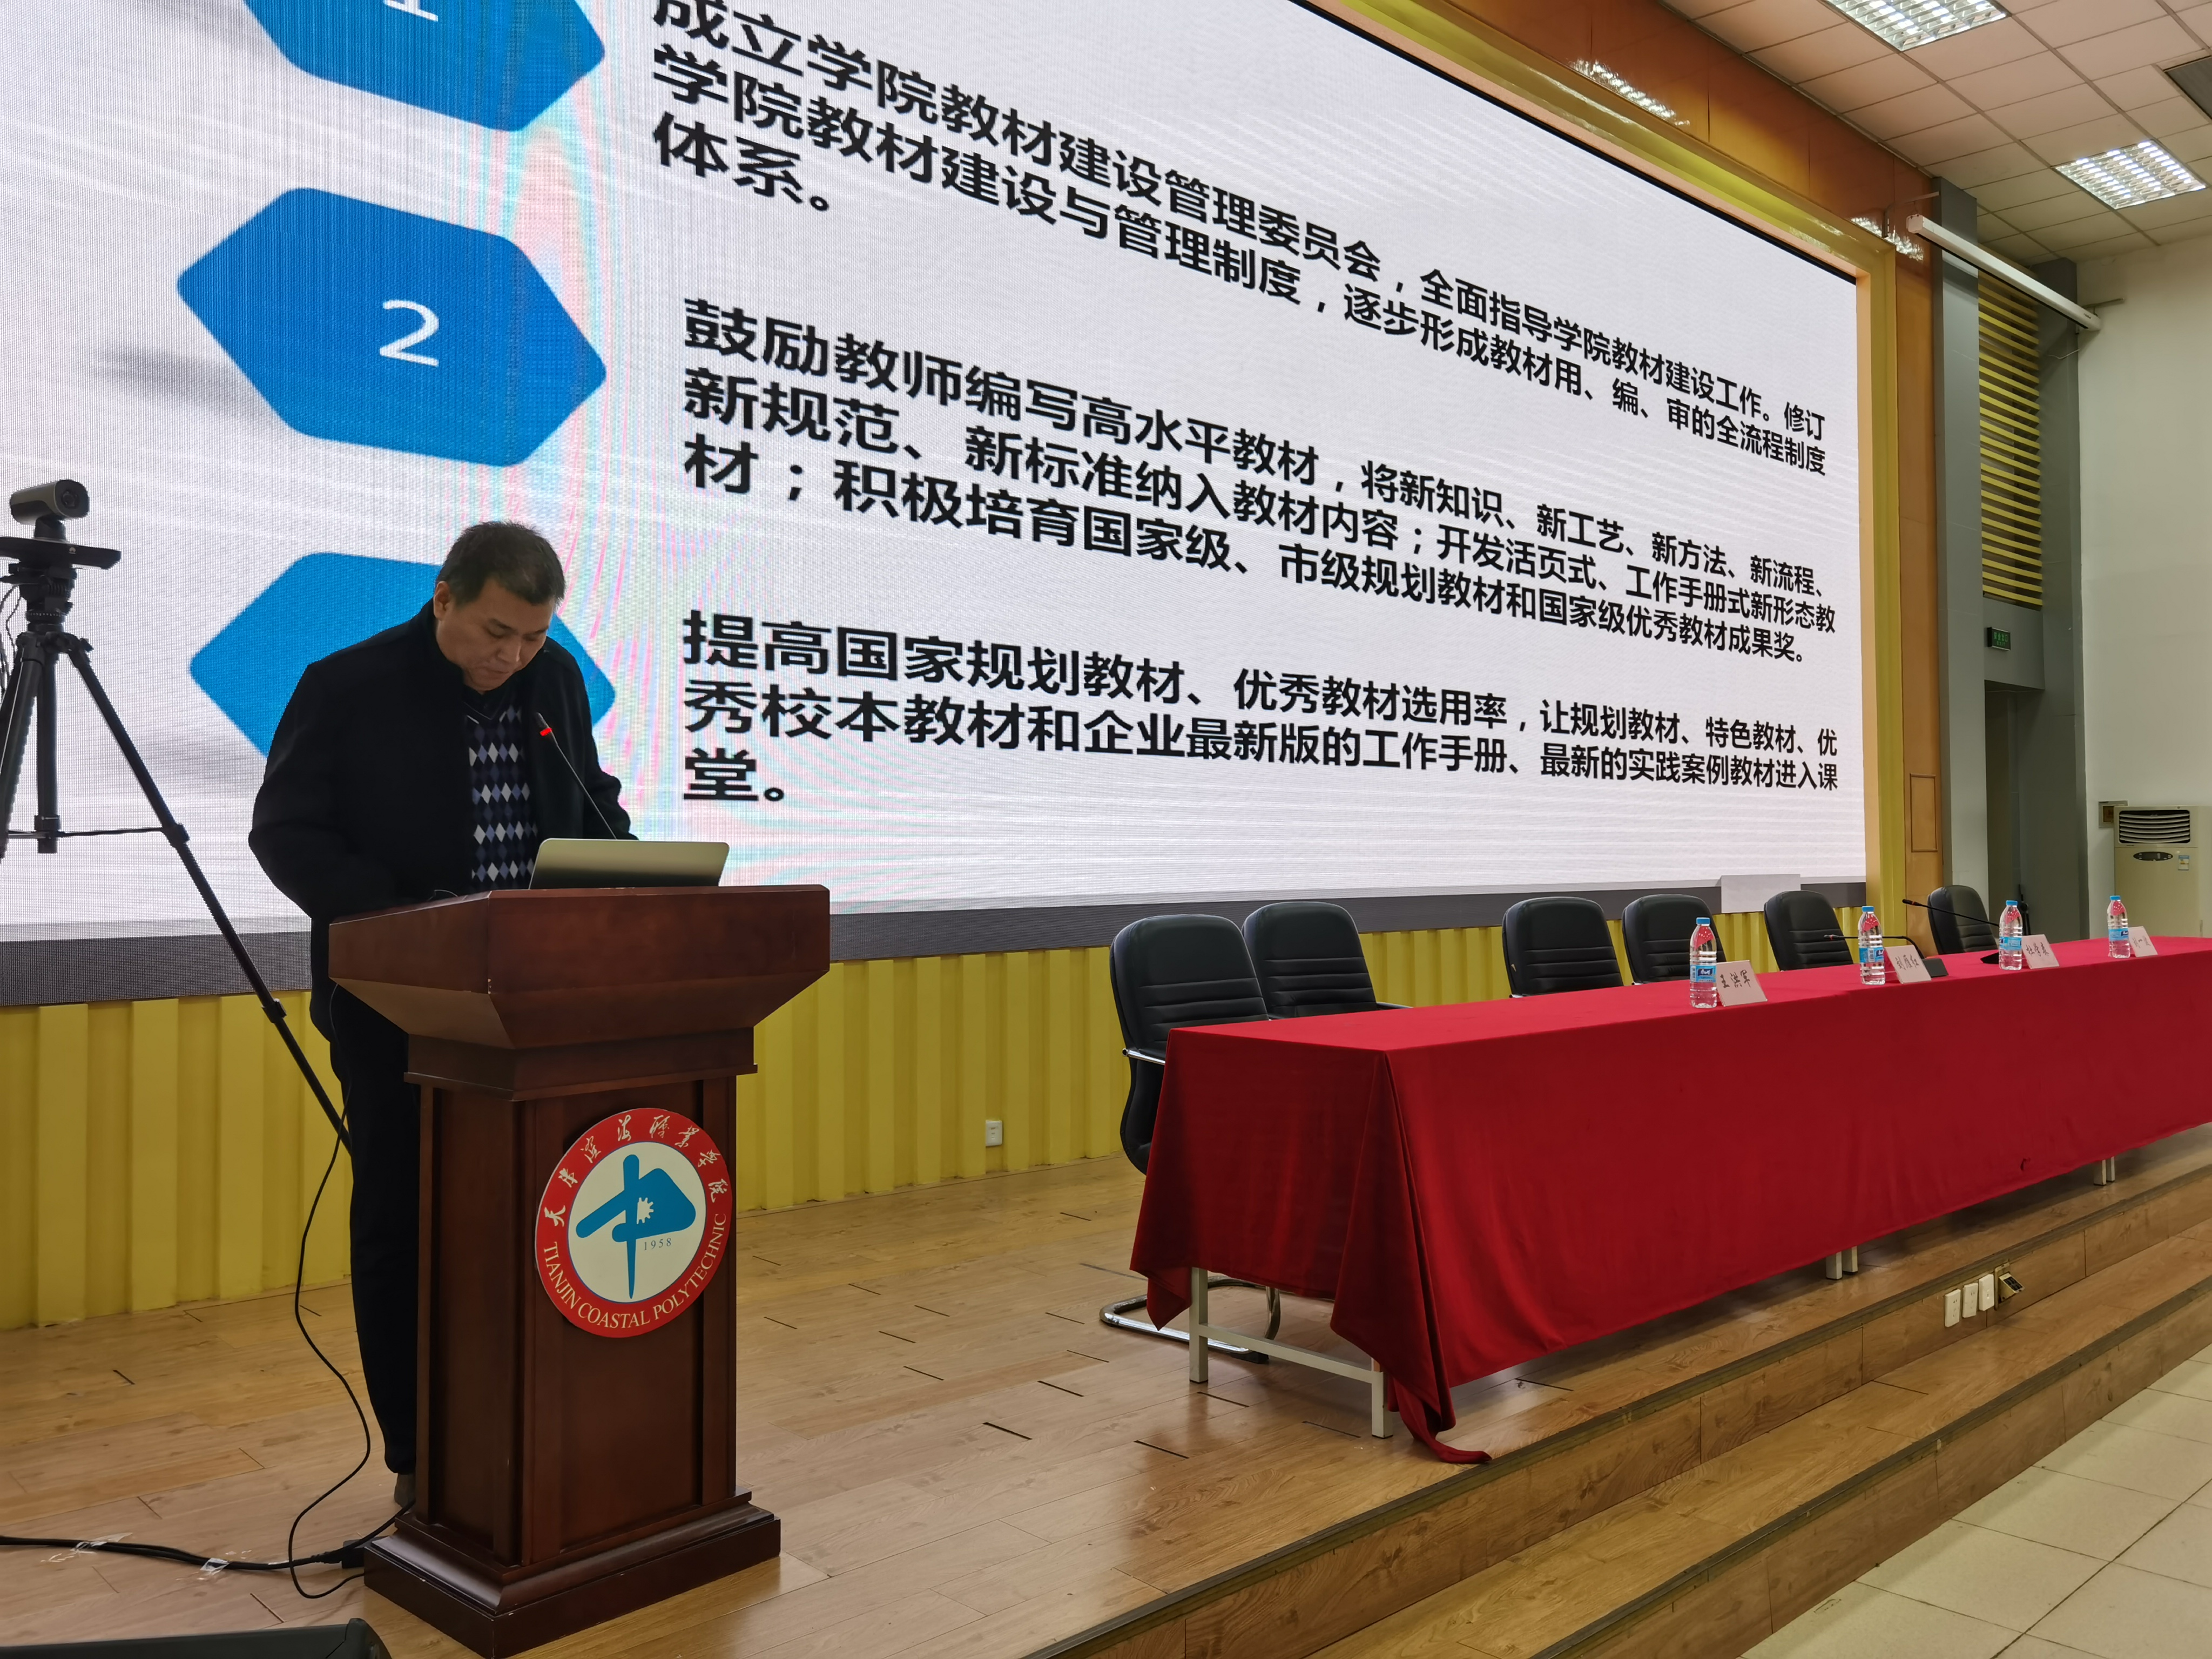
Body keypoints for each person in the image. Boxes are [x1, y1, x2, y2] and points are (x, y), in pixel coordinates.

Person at [249, 522, 628, 1508]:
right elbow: (286, 833)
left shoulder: (555, 683)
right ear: (445, 598)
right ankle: (419, 1450)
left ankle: (538, 1419)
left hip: (539, 1000)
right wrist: (406, 922)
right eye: (497, 633)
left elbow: (590, 801)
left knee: (541, 1213)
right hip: (398, 1005)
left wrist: (633, 875)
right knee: (405, 1219)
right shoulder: (347, 686)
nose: (513, 657)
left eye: (533, 639)